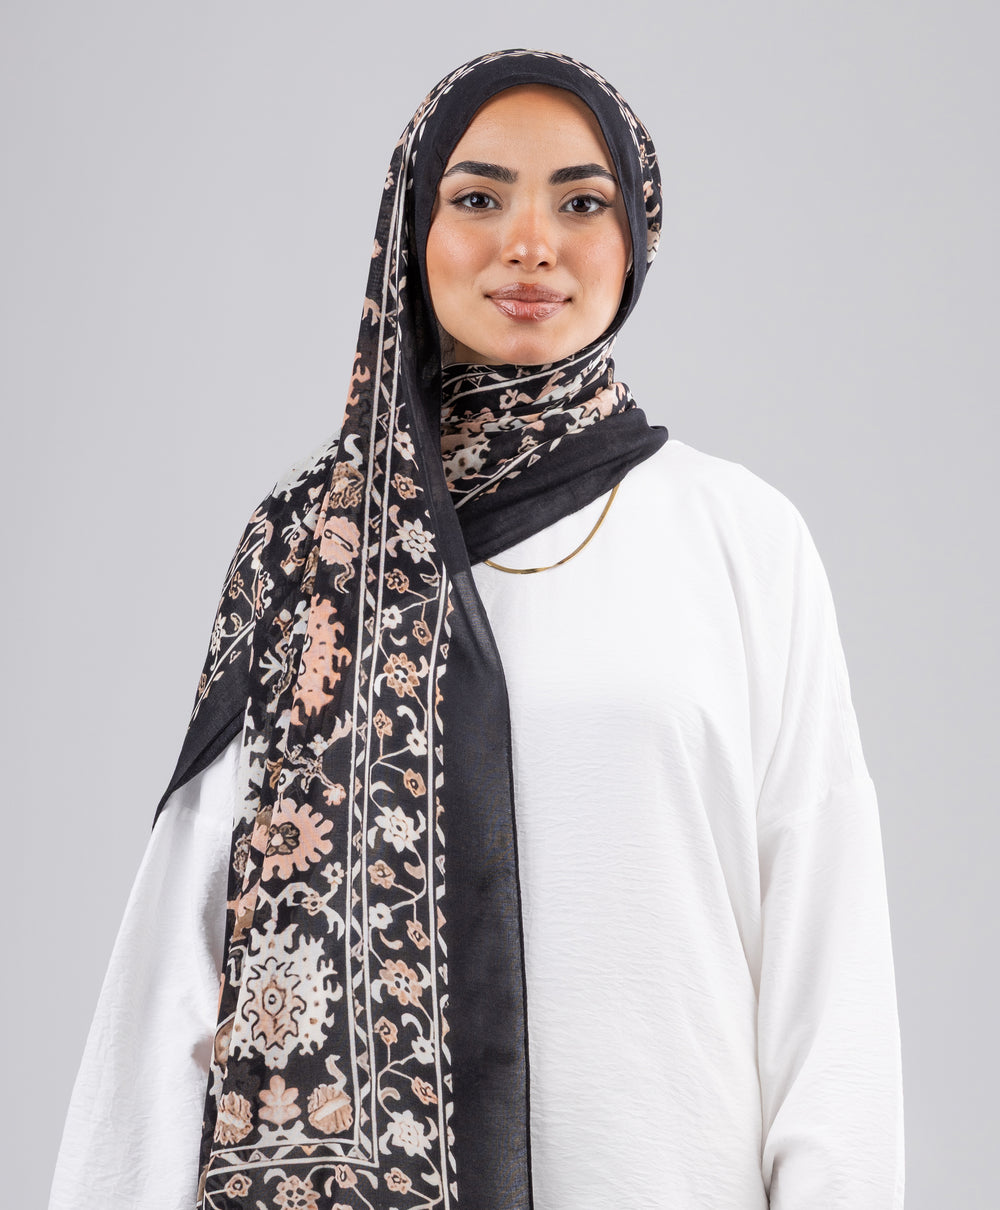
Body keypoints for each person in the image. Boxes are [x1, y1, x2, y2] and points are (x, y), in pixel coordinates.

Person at [49, 49, 904, 1210]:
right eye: (479, 198)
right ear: (412, 231)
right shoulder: (309, 548)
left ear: (637, 235)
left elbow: (826, 943)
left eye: (581, 203)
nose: (531, 244)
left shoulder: (741, 534)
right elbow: (178, 963)